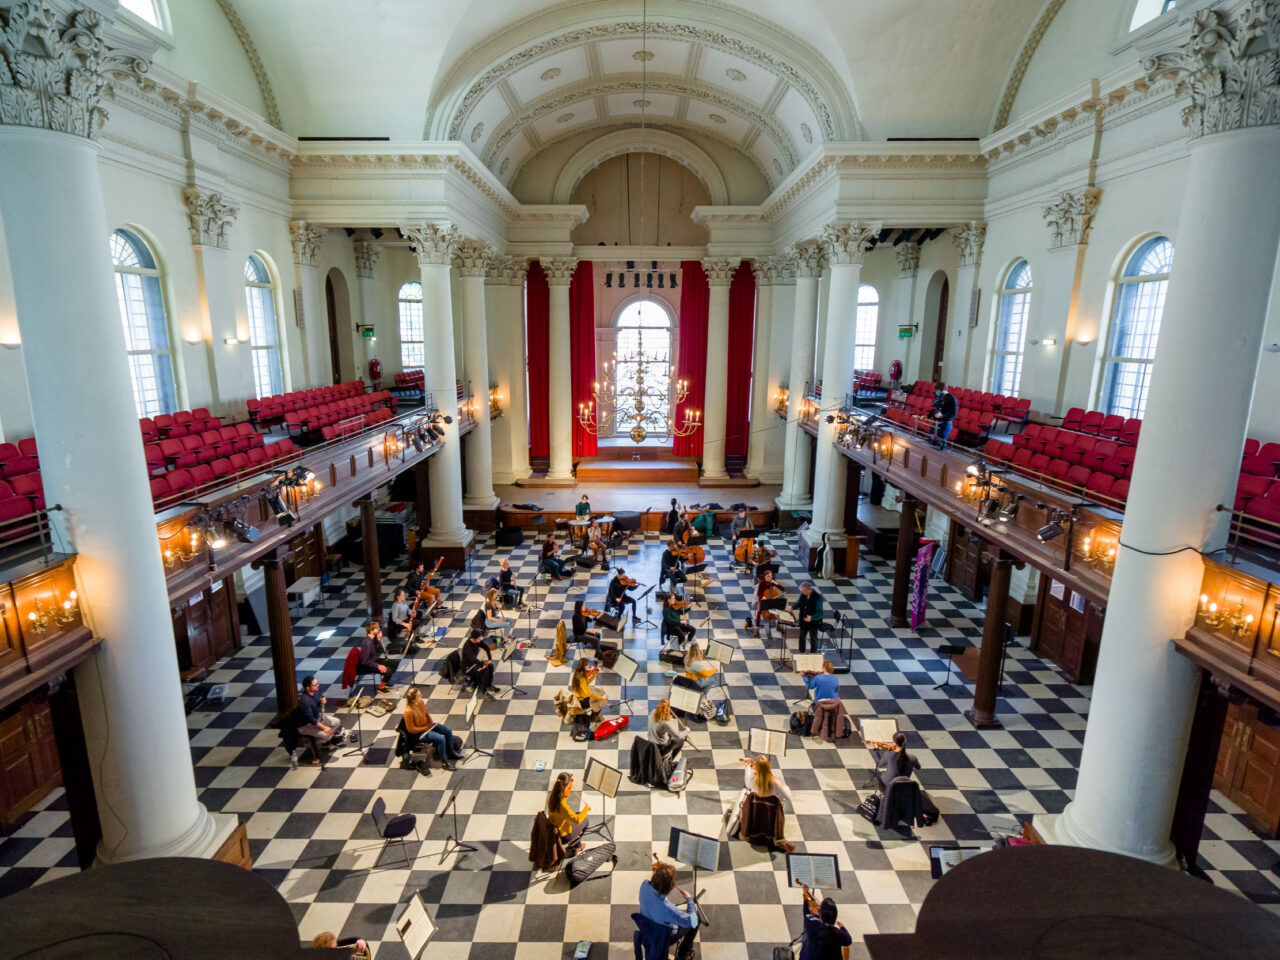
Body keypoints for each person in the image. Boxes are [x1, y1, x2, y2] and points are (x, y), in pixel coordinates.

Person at [639, 857, 699, 960]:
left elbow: (654, 880)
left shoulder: (644, 884)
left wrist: (661, 870)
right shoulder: (669, 909)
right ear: (670, 888)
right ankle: (684, 953)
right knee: (697, 917)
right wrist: (689, 899)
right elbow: (691, 921)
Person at [403, 686, 460, 769]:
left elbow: (426, 713)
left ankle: (451, 752)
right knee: (441, 738)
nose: (421, 696)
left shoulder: (421, 702)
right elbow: (411, 729)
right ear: (414, 699)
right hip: (419, 733)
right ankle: (444, 762)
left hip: (427, 726)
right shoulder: (408, 712)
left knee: (448, 731)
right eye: (419, 695)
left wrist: (430, 722)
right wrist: (424, 728)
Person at [799, 883, 852, 960]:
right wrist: (842, 928)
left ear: (821, 914)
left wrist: (805, 892)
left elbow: (806, 913)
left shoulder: (812, 926)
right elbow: (848, 940)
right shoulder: (839, 934)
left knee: (806, 939)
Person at [297, 675, 345, 753]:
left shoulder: (314, 693)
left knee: (337, 722)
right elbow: (310, 719)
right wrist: (324, 728)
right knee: (326, 735)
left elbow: (316, 704)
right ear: (308, 688)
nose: (318, 685)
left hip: (316, 718)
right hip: (305, 725)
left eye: (317, 683)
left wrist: (322, 702)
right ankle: (307, 743)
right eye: (315, 685)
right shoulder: (305, 701)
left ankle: (325, 738)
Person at [546, 771, 589, 851]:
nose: (570, 788)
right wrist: (586, 808)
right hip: (563, 836)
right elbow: (577, 820)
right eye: (569, 786)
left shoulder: (553, 795)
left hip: (554, 828)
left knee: (576, 815)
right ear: (565, 787)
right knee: (585, 821)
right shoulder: (563, 806)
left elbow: (565, 795)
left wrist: (571, 783)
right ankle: (577, 847)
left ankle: (577, 845)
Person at [460, 628, 499, 698]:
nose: (480, 640)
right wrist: (482, 666)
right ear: (474, 639)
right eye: (479, 639)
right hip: (468, 667)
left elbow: (486, 648)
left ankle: (489, 685)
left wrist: (489, 659)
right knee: (485, 671)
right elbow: (473, 659)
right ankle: (483, 692)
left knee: (490, 666)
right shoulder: (468, 646)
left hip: (474, 663)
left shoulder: (477, 641)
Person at [649, 698, 690, 763]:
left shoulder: (652, 712)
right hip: (661, 746)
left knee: (670, 735)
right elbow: (678, 735)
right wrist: (687, 731)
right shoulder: (664, 723)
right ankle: (670, 760)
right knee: (680, 741)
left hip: (651, 742)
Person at [790, 581, 825, 654]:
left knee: (813, 639)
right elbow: (799, 603)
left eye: (803, 591)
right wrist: (792, 607)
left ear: (809, 590)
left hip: (813, 623)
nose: (802, 593)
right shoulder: (803, 595)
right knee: (802, 637)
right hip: (803, 621)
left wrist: (811, 618)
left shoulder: (818, 598)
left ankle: (813, 654)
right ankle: (801, 652)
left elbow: (820, 613)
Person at [357, 621, 390, 687]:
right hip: (367, 666)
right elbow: (365, 661)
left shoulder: (373, 639)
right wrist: (378, 666)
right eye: (377, 628)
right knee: (388, 671)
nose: (379, 629)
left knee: (394, 664)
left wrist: (379, 639)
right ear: (372, 631)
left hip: (374, 660)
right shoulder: (367, 643)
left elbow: (381, 650)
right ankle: (381, 687)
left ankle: (385, 682)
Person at [755, 568, 784, 634]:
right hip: (762, 600)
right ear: (764, 576)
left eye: (770, 576)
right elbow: (759, 593)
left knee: (778, 610)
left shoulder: (772, 582)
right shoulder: (762, 582)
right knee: (759, 612)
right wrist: (763, 597)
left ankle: (778, 625)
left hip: (771, 599)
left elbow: (782, 589)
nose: (769, 578)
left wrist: (776, 583)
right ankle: (756, 628)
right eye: (768, 576)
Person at [930, 381, 958, 448]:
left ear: (943, 390)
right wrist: (928, 415)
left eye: (938, 390)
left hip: (945, 424)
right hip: (936, 423)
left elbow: (953, 414)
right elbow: (935, 408)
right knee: (931, 441)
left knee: (939, 444)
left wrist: (943, 415)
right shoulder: (939, 397)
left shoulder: (951, 398)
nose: (936, 392)